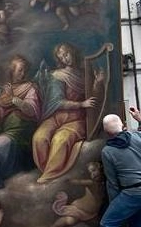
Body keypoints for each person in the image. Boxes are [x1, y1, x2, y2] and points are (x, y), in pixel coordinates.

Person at [32, 43, 96, 183]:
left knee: (60, 139)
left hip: (76, 118)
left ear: (72, 52)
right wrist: (81, 104)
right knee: (39, 138)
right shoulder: (58, 75)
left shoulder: (85, 74)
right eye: (61, 57)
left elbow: (96, 93)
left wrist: (99, 82)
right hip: (57, 117)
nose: (65, 58)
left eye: (66, 54)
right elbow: (57, 101)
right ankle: (48, 170)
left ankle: (50, 176)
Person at [0, 56, 41, 190]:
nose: (23, 73)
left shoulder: (31, 87)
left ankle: (8, 182)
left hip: (21, 130)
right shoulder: (7, 89)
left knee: (2, 143)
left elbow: (32, 111)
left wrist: (14, 99)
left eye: (25, 70)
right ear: (12, 71)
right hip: (3, 129)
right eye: (20, 70)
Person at [99, 107, 141, 227]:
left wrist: (114, 205)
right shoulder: (137, 136)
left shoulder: (107, 151)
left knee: (107, 223)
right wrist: (140, 119)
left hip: (133, 191)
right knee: (138, 223)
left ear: (106, 132)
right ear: (123, 126)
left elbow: (112, 183)